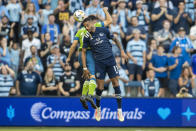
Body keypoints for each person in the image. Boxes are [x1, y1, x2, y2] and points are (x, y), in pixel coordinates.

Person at [82, 17, 128, 122]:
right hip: (99, 64)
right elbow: (83, 52)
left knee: (116, 83)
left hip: (111, 61)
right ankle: (98, 108)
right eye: (84, 27)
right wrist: (85, 67)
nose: (86, 28)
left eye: (87, 25)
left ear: (92, 23)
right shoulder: (86, 36)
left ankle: (119, 110)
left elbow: (115, 39)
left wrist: (122, 51)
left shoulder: (103, 30)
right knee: (100, 88)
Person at [66, 7, 112, 110]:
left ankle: (83, 95)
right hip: (90, 53)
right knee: (93, 77)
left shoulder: (79, 31)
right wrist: (105, 10)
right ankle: (90, 96)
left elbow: (73, 46)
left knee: (87, 77)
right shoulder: (95, 26)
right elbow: (109, 21)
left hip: (80, 55)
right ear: (91, 21)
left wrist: (68, 58)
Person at [126, 29, 146, 97]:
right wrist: (133, 59)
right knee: (131, 76)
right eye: (135, 34)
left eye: (138, 34)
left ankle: (139, 93)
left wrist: (143, 63)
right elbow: (128, 52)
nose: (137, 35)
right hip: (131, 62)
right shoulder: (130, 43)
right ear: (133, 35)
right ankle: (128, 92)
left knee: (139, 77)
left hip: (140, 63)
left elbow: (144, 54)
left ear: (140, 35)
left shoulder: (143, 43)